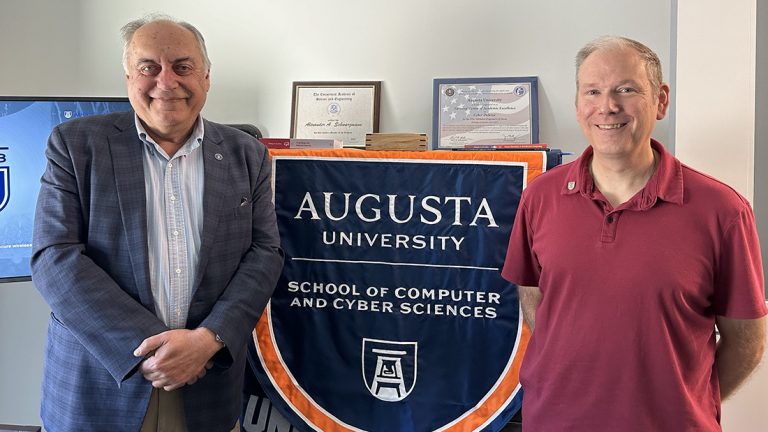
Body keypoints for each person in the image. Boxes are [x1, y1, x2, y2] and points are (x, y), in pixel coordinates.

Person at [31, 14, 284, 432]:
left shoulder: (247, 154)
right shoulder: (75, 145)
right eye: (149, 67)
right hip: (101, 384)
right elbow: (53, 258)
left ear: (205, 77)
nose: (166, 82)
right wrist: (154, 349)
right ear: (129, 76)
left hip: (209, 384)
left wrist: (207, 341)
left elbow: (265, 254)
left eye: (182, 67)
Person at [502, 36, 767, 431]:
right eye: (593, 91)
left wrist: (684, 399)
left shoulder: (723, 211)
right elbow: (535, 300)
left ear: (661, 100)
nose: (607, 107)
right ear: (578, 105)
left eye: (626, 90)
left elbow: (746, 341)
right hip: (553, 421)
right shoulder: (540, 196)